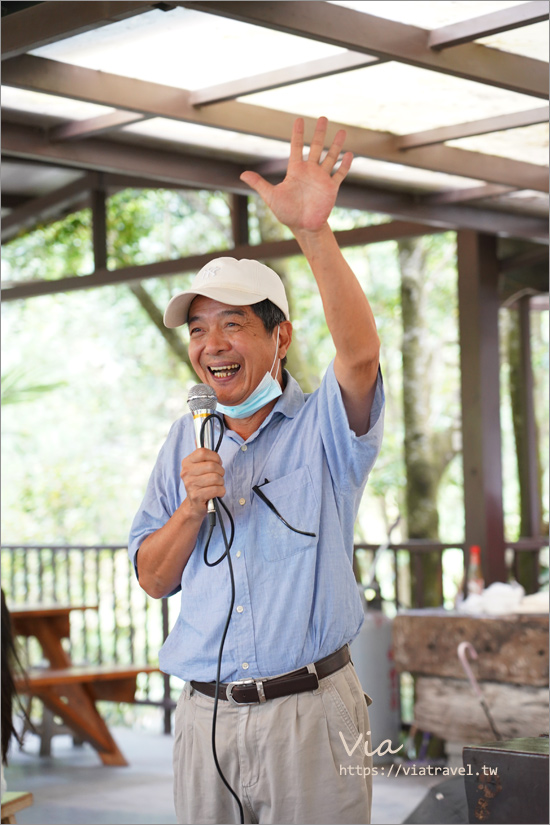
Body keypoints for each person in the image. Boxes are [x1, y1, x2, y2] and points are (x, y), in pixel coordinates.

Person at [129, 116, 384, 825]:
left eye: (233, 324)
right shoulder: (185, 437)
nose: (212, 345)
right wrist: (189, 507)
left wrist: (313, 232)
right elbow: (152, 577)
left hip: (311, 714)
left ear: (280, 336)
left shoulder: (324, 429)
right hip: (205, 717)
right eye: (199, 329)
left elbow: (359, 358)